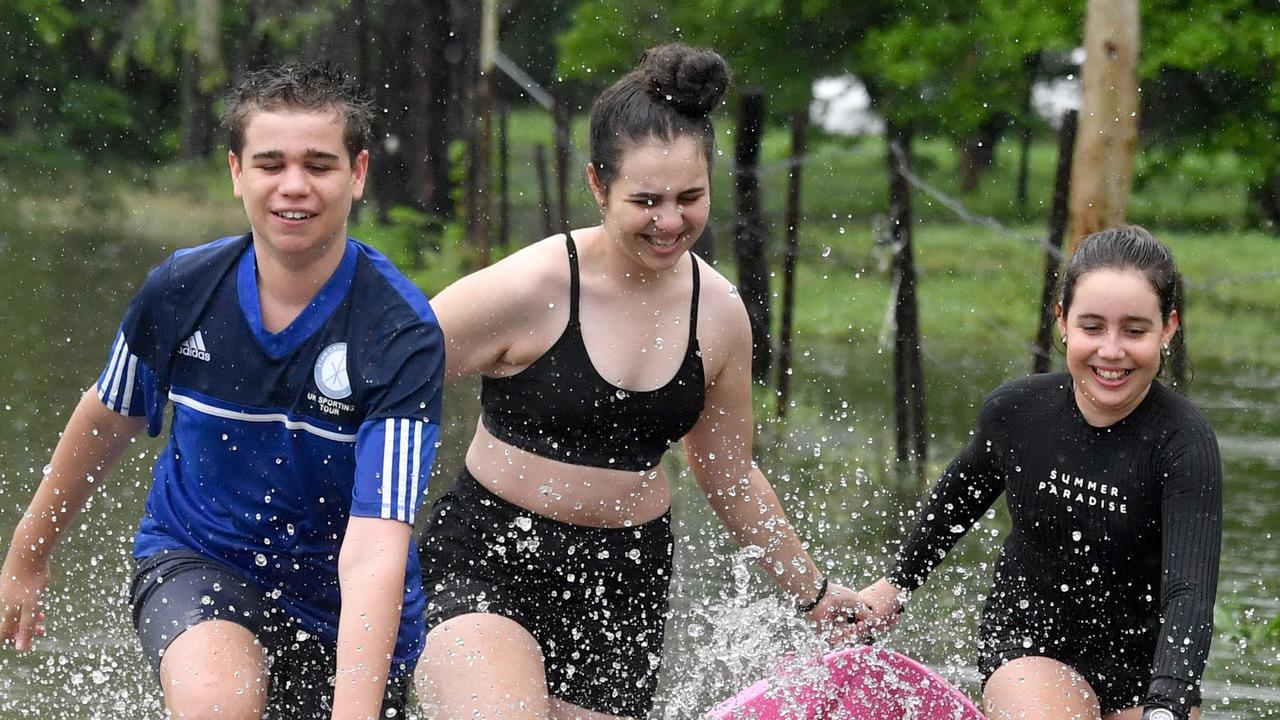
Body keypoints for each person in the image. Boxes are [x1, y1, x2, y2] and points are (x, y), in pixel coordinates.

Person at [414, 43, 862, 719]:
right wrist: (356, 539)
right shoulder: (527, 287)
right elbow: (376, 384)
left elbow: (729, 476)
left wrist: (816, 595)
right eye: (645, 200)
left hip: (624, 580)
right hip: (491, 556)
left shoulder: (718, 316)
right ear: (598, 185)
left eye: (689, 198)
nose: (670, 222)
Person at [0, 64, 444, 719]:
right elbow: (104, 420)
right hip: (198, 559)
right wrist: (26, 559)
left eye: (319, 165)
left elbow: (378, 549)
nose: (294, 186)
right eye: (271, 164)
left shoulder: (400, 332)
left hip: (344, 608)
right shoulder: (181, 290)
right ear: (237, 172)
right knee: (217, 704)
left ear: (358, 174)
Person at [859, 226, 1222, 720]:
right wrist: (894, 586)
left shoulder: (1185, 443)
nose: (1111, 351)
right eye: (1092, 327)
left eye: (1135, 331)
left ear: (1168, 329)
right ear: (1062, 322)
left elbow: (1189, 592)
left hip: (1147, 673)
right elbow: (955, 505)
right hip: (1030, 646)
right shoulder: (1017, 413)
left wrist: (1168, 705)